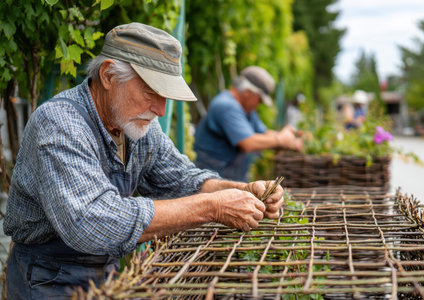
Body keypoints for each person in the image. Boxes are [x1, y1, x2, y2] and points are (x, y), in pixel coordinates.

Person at [3, 23, 285, 299]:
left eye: (165, 97)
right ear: (108, 76)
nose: (160, 110)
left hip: (106, 274)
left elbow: (183, 180)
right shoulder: (60, 123)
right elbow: (91, 222)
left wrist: (240, 191)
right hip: (46, 279)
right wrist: (213, 207)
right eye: (151, 92)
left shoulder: (137, 128)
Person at [193, 66, 303, 181]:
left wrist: (292, 139)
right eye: (259, 99)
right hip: (212, 180)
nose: (259, 104)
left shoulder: (247, 110)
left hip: (229, 178)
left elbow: (264, 133)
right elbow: (249, 143)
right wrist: (280, 139)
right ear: (247, 92)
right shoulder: (226, 105)